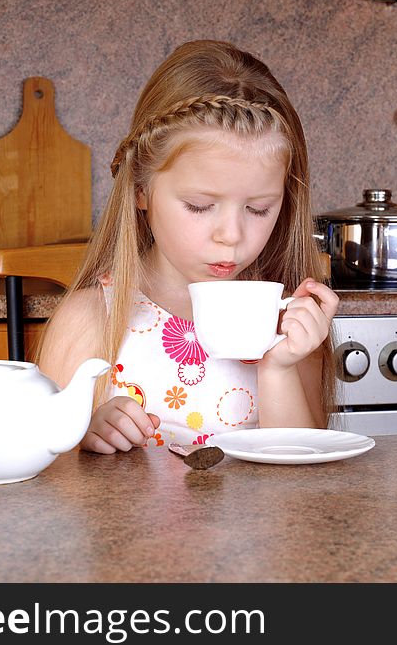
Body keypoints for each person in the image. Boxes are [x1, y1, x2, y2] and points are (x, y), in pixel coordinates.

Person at [38, 40, 338, 454]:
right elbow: (49, 485)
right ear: (141, 190)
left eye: (258, 208)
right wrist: (86, 437)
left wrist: (279, 369)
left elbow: (302, 492)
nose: (231, 235)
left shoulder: (289, 328)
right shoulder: (91, 321)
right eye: (199, 206)